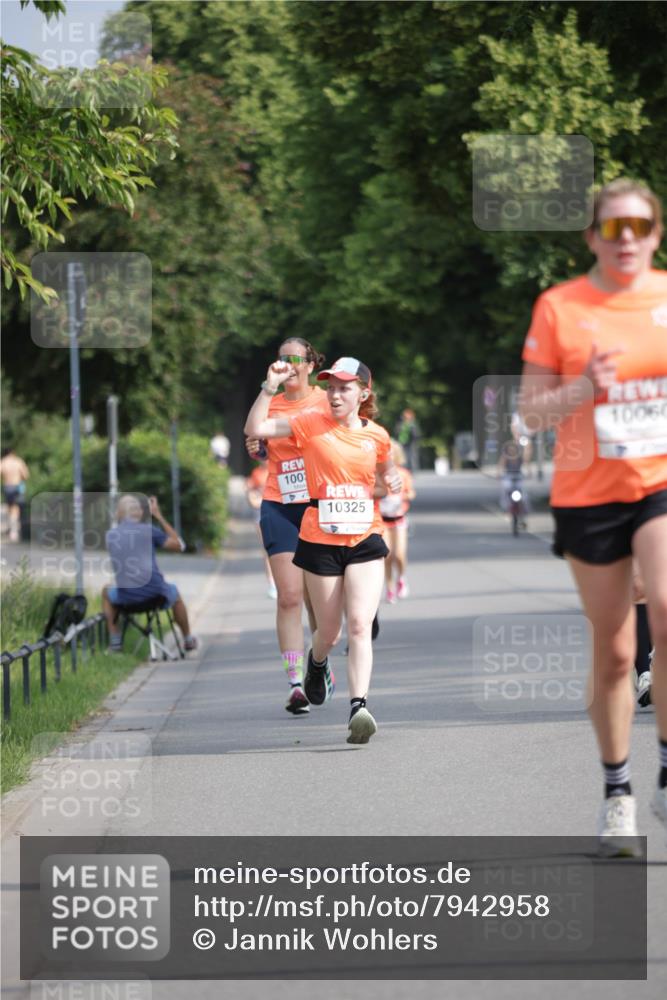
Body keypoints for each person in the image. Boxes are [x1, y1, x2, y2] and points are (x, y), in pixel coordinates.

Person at [519, 178, 667, 856]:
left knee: (664, 608)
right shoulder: (559, 307)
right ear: (591, 238)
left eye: (639, 225)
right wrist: (585, 387)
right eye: (613, 228)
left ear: (655, 233)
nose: (627, 238)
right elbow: (530, 412)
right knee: (612, 651)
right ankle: (617, 792)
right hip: (588, 494)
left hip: (659, 483)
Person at [245, 356, 402, 745]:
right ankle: (316, 665)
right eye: (330, 387)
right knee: (328, 632)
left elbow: (385, 476)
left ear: (363, 394)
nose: (334, 394)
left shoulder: (377, 436)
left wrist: (391, 479)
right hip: (320, 539)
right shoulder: (308, 425)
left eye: (344, 388)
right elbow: (255, 428)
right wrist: (269, 387)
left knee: (360, 625)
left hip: (365, 536)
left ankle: (358, 707)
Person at [245, 338, 330, 716]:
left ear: (311, 364)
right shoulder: (271, 400)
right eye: (282, 359)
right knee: (289, 596)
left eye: (296, 359)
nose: (288, 365)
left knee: (317, 600)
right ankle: (295, 683)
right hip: (279, 502)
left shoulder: (326, 401)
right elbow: (253, 431)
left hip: (319, 505)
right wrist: (268, 388)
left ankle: (319, 662)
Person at [103, 493, 198, 653]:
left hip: (126, 597)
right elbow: (179, 546)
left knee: (106, 591)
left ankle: (115, 641)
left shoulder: (111, 536)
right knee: (176, 594)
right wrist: (158, 515)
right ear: (139, 512)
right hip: (156, 595)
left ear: (119, 513)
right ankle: (188, 639)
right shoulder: (149, 531)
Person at [379, 439, 416, 602]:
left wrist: (401, 496)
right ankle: (389, 587)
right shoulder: (377, 473)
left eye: (392, 453)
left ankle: (401, 577)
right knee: (386, 555)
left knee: (399, 554)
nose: (390, 456)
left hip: (399, 518)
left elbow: (411, 493)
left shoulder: (403, 473)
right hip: (382, 520)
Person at [245, 460, 277, 599]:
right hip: (261, 513)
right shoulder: (257, 473)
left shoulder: (277, 469)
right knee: (268, 549)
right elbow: (249, 491)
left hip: (277, 512)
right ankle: (272, 583)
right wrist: (255, 501)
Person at [1, 447, 29, 543]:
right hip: (17, 486)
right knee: (16, 508)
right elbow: (26, 475)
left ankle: (12, 529)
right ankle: (15, 531)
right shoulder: (18, 462)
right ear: (12, 453)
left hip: (7, 487)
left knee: (10, 508)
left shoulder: (3, 462)